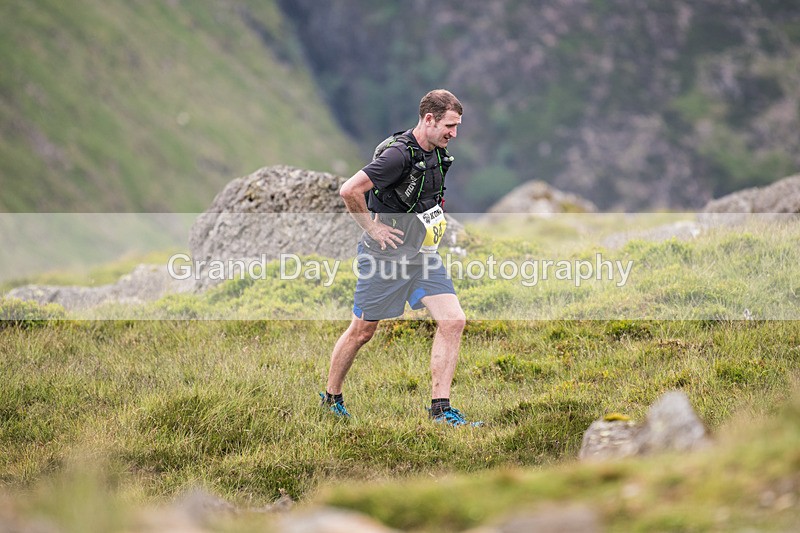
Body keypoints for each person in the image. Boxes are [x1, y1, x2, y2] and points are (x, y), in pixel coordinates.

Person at [320, 89, 482, 427]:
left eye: (457, 126)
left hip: (423, 255)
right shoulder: (397, 156)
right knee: (362, 331)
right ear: (428, 119)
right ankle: (331, 397)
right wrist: (373, 230)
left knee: (453, 321)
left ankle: (440, 409)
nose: (454, 133)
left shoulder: (439, 152)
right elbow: (349, 190)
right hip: (386, 257)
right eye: (449, 126)